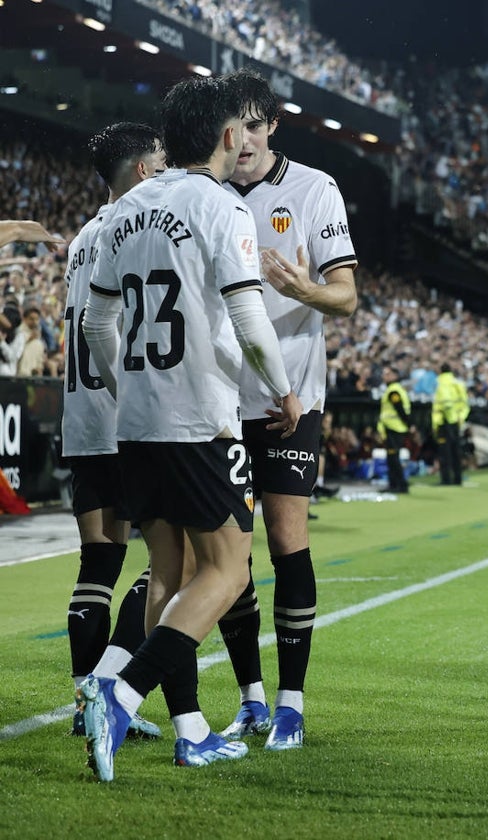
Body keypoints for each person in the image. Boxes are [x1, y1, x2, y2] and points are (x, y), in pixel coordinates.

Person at [77, 74, 302, 782]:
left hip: (136, 424)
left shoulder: (126, 208)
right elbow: (248, 318)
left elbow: (97, 323)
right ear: (229, 135)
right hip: (197, 418)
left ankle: (190, 729)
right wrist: (284, 390)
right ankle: (119, 692)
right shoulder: (220, 206)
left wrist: (127, 391)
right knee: (228, 571)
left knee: (168, 574)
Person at [213, 69, 358, 752]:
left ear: (273, 125)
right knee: (227, 557)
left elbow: (347, 297)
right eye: (231, 125)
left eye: (254, 123)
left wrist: (306, 286)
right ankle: (249, 700)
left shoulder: (313, 188)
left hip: (290, 399)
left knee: (285, 540)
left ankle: (292, 705)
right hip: (217, 401)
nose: (243, 138)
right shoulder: (202, 192)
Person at [62, 122, 167, 742]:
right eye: (159, 159)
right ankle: (108, 686)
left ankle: (83, 705)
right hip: (124, 415)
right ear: (144, 171)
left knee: (97, 563)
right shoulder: (133, 231)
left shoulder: (81, 236)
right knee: (169, 563)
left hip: (81, 415)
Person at [431, 362, 470, 485]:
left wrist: (436, 423)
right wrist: (460, 418)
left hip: (444, 422)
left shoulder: (440, 383)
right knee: (456, 452)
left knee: (444, 453)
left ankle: (446, 479)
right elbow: (465, 404)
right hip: (456, 422)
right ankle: (458, 478)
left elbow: (443, 405)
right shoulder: (458, 384)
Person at [377, 366, 412, 493]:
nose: (384, 376)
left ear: (394, 376)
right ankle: (395, 484)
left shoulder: (394, 391)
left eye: (387, 374)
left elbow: (400, 410)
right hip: (394, 428)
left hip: (394, 428)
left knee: (393, 458)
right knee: (392, 458)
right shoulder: (395, 389)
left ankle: (400, 485)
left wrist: (408, 424)